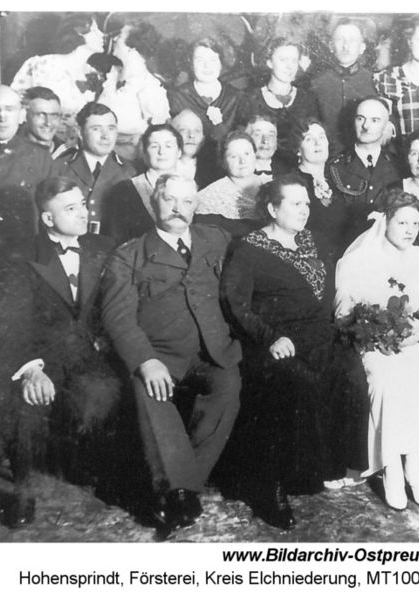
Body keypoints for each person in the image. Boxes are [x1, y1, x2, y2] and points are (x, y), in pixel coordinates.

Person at [100, 173, 242, 538]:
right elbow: (117, 318)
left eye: (187, 201)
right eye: (169, 200)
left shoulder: (217, 239)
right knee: (151, 394)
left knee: (227, 387)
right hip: (159, 355)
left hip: (211, 352)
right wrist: (145, 361)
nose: (179, 208)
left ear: (197, 206)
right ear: (153, 204)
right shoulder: (128, 255)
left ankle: (182, 487)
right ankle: (179, 492)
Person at [220, 175, 359, 529]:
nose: (304, 210)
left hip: (319, 336)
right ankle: (275, 484)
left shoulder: (316, 240)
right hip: (274, 342)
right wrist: (270, 337)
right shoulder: (248, 249)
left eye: (307, 203)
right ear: (272, 208)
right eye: (295, 203)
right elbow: (236, 304)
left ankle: (323, 470)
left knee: (348, 373)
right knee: (298, 383)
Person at [0, 177, 121, 528]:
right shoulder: (20, 257)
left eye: (83, 205)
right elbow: (11, 324)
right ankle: (23, 489)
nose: (83, 213)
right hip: (41, 356)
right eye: (70, 208)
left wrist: (105, 341)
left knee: (108, 391)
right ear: (48, 219)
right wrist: (31, 370)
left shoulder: (103, 247)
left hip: (89, 354)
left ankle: (91, 470)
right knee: (27, 403)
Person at [334, 189, 419, 511]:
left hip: (413, 337)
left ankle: (414, 467)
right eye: (402, 222)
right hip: (375, 342)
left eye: (415, 223)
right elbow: (346, 314)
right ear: (384, 221)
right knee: (388, 382)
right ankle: (391, 469)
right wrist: (385, 333)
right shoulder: (359, 259)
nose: (409, 230)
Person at [10, 16, 105, 144]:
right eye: (95, 30)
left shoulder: (93, 73)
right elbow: (15, 104)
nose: (102, 35)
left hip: (75, 145)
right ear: (79, 33)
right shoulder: (45, 65)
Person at [328, 96, 404, 246]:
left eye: (374, 120)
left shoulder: (400, 166)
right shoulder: (335, 167)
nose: (366, 126)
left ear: (386, 126)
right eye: (360, 119)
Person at [53, 102, 135, 235]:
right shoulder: (60, 167)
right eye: (96, 129)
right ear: (80, 132)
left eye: (111, 128)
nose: (105, 136)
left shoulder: (130, 171)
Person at [98, 21, 170, 161]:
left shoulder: (150, 85)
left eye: (120, 36)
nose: (115, 40)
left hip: (130, 157)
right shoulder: (113, 75)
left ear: (132, 48)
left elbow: (159, 132)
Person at [0, 85, 53, 236]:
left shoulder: (40, 157)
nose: (2, 117)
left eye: (9, 109)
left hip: (23, 242)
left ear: (21, 115)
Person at [103, 123, 183, 243]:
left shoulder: (190, 189)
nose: (161, 152)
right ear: (145, 153)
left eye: (168, 146)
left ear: (179, 152)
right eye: (154, 146)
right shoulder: (123, 191)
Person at [310, 18, 378, 155]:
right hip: (329, 157)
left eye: (352, 40)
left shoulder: (375, 81)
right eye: (340, 40)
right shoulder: (317, 83)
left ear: (362, 47)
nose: (346, 46)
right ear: (331, 46)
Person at [239, 37, 319, 152]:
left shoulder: (308, 99)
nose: (289, 66)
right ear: (269, 63)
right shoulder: (250, 99)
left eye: (294, 60)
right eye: (283, 60)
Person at [289, 118, 347, 260]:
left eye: (322, 137)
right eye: (309, 139)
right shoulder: (291, 184)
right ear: (298, 149)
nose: (317, 143)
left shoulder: (337, 178)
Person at [167, 38, 243, 144]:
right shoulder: (177, 97)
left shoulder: (236, 97)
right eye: (200, 60)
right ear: (191, 64)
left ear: (221, 64)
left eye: (212, 60)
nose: (206, 66)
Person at [195, 131, 266, 239]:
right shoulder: (209, 197)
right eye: (233, 156)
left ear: (255, 156)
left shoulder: (273, 185)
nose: (242, 161)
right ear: (223, 162)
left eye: (247, 154)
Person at [171, 108, 219, 189]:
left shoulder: (213, 171)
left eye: (197, 130)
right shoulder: (160, 167)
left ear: (203, 138)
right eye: (183, 130)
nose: (191, 135)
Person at [18, 86, 70, 159]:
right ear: (25, 116)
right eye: (41, 115)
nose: (48, 123)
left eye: (54, 115)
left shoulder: (70, 154)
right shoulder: (8, 151)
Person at [244, 113, 293, 180]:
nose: (265, 141)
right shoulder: (238, 172)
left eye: (271, 135)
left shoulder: (289, 173)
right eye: (257, 134)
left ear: (276, 142)